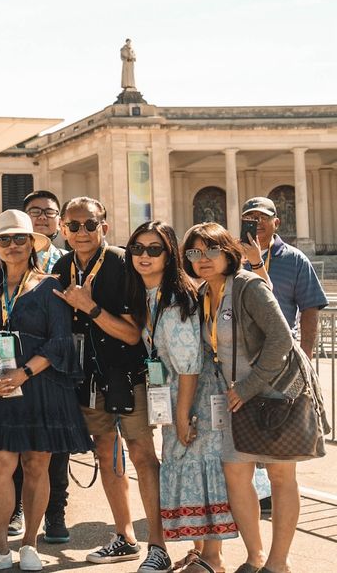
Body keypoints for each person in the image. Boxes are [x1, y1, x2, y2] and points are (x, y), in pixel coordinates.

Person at [185, 222, 322, 573]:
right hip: (237, 399)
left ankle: (278, 563)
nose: (203, 259)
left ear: (228, 252)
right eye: (194, 252)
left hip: (274, 392)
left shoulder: (248, 285)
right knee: (235, 473)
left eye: (211, 250)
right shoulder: (203, 294)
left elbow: (280, 339)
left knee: (280, 476)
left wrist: (248, 386)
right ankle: (254, 556)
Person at [0, 210, 92, 572]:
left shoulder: (51, 287)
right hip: (0, 387)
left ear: (32, 244)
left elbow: (61, 341)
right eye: (4, 239)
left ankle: (30, 544)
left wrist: (25, 372)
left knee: (37, 466)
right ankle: (1, 548)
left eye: (20, 239)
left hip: (42, 387)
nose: (12, 245)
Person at [51, 197, 162, 569]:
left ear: (104, 227)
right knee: (105, 455)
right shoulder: (63, 266)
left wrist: (90, 307)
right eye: (74, 225)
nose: (82, 232)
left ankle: (158, 544)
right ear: (63, 229)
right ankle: (125, 536)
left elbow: (132, 335)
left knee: (143, 457)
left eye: (90, 224)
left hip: (127, 378)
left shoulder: (121, 263)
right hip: (88, 381)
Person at [125, 221, 237, 573]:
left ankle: (213, 559)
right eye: (138, 248)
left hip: (195, 397)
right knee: (187, 469)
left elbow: (189, 364)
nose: (144, 256)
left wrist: (183, 413)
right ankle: (199, 551)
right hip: (175, 396)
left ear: (169, 254)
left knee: (202, 471)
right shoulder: (149, 293)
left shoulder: (177, 298)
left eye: (154, 249)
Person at [12, 190, 71, 543]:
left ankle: (56, 513)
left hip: (59, 363)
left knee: (56, 447)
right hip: (18, 364)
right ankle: (19, 508)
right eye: (34, 212)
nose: (43, 217)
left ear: (59, 221)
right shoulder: (7, 258)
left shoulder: (67, 262)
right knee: (19, 443)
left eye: (49, 212)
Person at [237, 196, 328, 357]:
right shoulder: (232, 259)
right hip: (237, 356)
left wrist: (305, 358)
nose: (257, 222)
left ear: (276, 223)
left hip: (281, 354)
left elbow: (310, 310)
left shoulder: (295, 259)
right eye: (250, 218)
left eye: (263, 217)